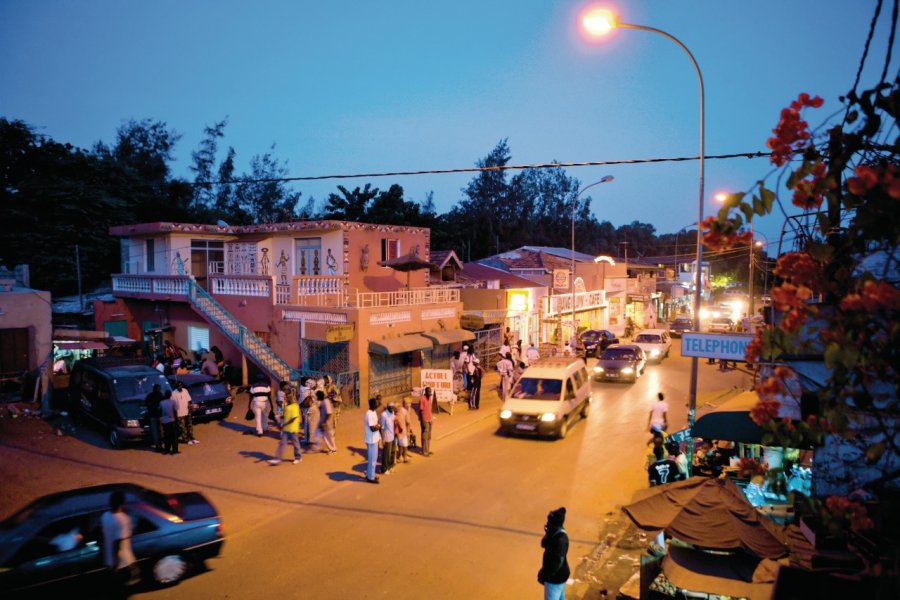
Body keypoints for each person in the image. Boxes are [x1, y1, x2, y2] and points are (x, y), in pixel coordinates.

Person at [101, 490, 137, 597]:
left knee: (114, 589)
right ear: (122, 503)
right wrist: (116, 566)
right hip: (122, 562)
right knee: (122, 589)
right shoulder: (124, 519)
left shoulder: (105, 516)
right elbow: (118, 543)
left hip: (108, 559)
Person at [538, 507, 570, 600]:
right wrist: (548, 535)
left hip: (555, 578)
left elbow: (556, 563)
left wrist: (545, 574)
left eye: (549, 522)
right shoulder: (555, 533)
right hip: (560, 575)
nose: (547, 524)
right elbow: (543, 544)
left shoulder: (560, 540)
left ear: (555, 524)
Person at [268, 391, 302, 465]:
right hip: (286, 429)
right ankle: (277, 458)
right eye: (286, 398)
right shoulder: (287, 407)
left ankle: (298, 457)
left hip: (293, 429)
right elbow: (285, 416)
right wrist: (279, 416)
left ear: (291, 399)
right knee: (282, 444)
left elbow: (293, 418)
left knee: (295, 444)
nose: (286, 400)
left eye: (287, 399)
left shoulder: (295, 406)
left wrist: (284, 424)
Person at [171, 380, 198, 445]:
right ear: (176, 387)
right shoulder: (173, 393)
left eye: (181, 386)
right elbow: (173, 404)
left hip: (187, 411)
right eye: (178, 386)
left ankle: (192, 438)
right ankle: (186, 439)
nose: (180, 387)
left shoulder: (185, 390)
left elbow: (188, 400)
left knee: (189, 426)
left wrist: (189, 409)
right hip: (179, 413)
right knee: (182, 427)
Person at [364, 397, 382, 483]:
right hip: (371, 440)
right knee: (372, 459)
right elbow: (373, 428)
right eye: (376, 403)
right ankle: (371, 478)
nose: (377, 405)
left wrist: (378, 426)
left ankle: (370, 475)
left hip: (375, 439)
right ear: (372, 405)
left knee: (373, 459)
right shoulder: (369, 414)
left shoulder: (373, 412)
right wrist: (379, 426)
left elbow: (376, 425)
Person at [313, 390, 337, 454]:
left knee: (329, 436)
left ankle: (333, 449)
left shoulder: (326, 401)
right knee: (326, 436)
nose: (316, 398)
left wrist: (325, 422)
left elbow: (329, 413)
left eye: (317, 396)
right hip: (325, 422)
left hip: (327, 423)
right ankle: (331, 449)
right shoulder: (324, 401)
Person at [145, 383, 164, 453]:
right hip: (159, 416)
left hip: (153, 416)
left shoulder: (149, 396)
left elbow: (147, 404)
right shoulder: (161, 395)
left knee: (155, 432)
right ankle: (160, 445)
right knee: (160, 431)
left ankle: (157, 446)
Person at [160, 390, 178, 455]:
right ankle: (174, 450)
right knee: (174, 437)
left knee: (166, 436)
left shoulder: (161, 403)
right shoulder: (173, 402)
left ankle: (166, 450)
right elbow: (175, 411)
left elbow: (159, 410)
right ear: (170, 395)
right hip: (172, 420)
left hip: (165, 421)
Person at [380, 403, 396, 474]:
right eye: (391, 407)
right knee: (386, 454)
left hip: (393, 436)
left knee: (392, 452)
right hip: (387, 437)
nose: (392, 408)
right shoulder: (384, 415)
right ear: (388, 407)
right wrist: (383, 439)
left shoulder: (392, 413)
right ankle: (384, 468)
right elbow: (382, 428)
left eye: (393, 407)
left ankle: (390, 466)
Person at [418, 387, 434, 456]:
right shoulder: (422, 399)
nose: (430, 393)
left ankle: (427, 449)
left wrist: (431, 419)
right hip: (424, 420)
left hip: (430, 419)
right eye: (429, 392)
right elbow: (421, 411)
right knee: (425, 435)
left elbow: (429, 409)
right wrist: (422, 421)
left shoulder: (429, 398)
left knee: (428, 436)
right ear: (426, 392)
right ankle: (424, 451)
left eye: (430, 392)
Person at [396, 398, 412, 463]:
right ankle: (403, 456)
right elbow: (408, 422)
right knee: (403, 444)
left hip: (400, 430)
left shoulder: (402, 410)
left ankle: (402, 456)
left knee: (402, 444)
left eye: (409, 403)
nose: (408, 405)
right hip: (401, 430)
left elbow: (408, 422)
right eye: (407, 403)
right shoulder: (404, 411)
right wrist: (408, 431)